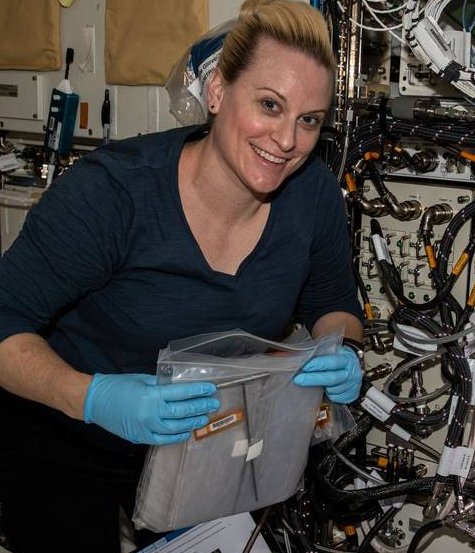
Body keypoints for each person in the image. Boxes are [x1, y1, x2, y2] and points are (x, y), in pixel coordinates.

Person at [0, 1, 363, 551]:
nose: (287, 140)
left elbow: (333, 302)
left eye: (308, 120)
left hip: (203, 441)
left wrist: (345, 349)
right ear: (217, 91)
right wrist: (94, 398)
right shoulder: (113, 193)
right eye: (270, 104)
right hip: (64, 436)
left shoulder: (311, 195)